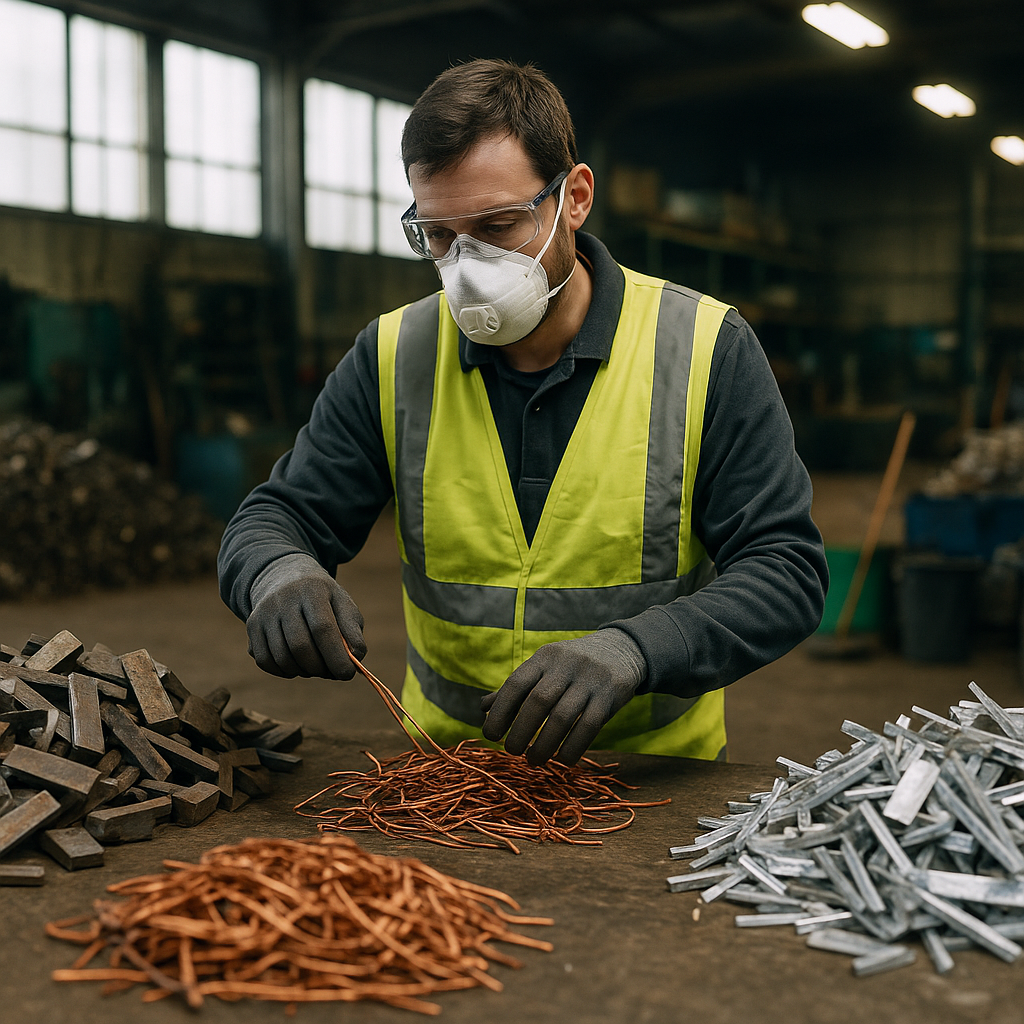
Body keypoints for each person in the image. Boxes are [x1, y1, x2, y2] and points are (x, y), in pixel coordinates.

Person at [218, 59, 828, 767]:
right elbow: (277, 516)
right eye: (439, 235)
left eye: (499, 225)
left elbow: (785, 569)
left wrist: (637, 649)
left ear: (575, 198)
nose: (468, 266)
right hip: (447, 780)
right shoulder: (394, 354)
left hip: (649, 776)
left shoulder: (704, 348)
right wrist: (277, 571)